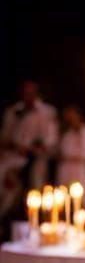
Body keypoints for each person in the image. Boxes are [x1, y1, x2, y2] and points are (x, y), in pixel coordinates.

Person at [0, 81, 58, 217]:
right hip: (12, 160)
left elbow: (50, 140)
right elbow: (5, 137)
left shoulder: (47, 112)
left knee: (35, 192)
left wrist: (32, 149)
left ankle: (35, 221)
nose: (28, 96)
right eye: (25, 93)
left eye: (31, 93)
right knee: (8, 194)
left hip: (36, 161)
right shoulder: (14, 111)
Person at [56, 105, 85, 203]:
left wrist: (70, 157)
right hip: (65, 170)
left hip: (80, 170)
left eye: (73, 115)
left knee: (81, 199)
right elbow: (60, 152)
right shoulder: (66, 134)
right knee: (64, 200)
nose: (70, 118)